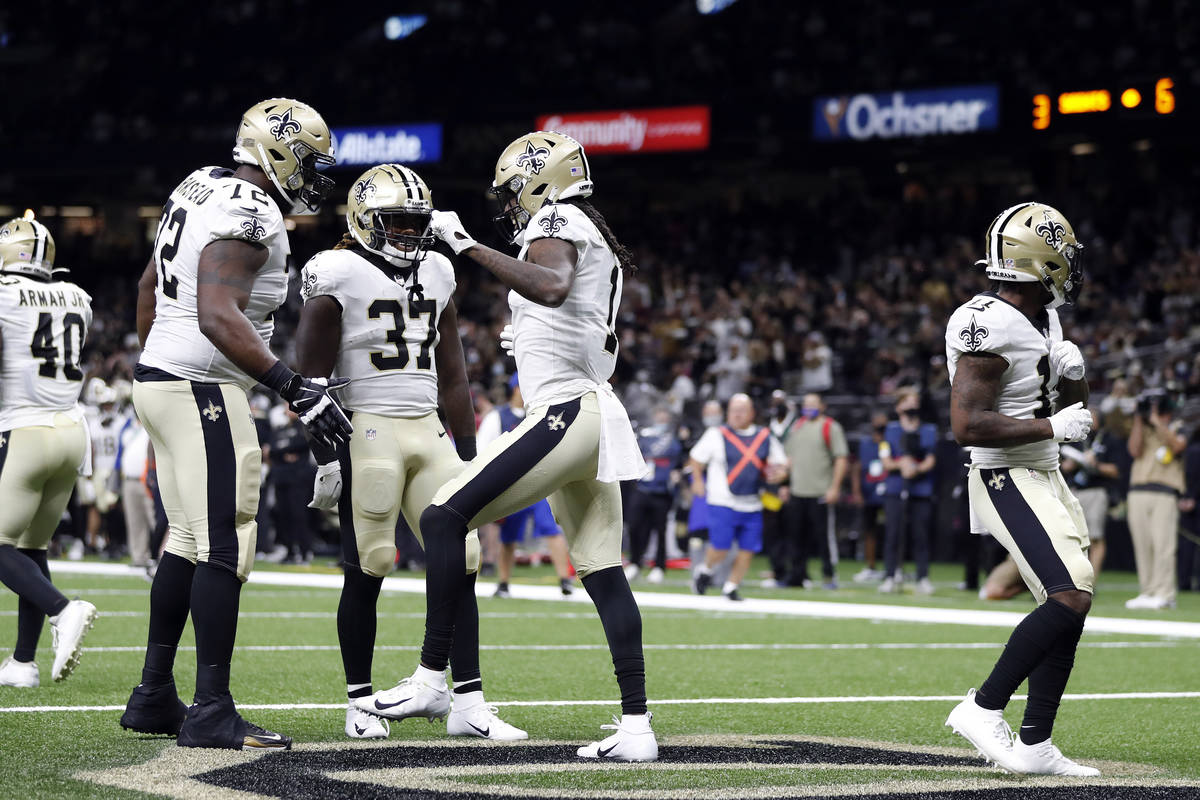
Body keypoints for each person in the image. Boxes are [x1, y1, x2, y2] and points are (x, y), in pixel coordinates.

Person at [356, 132, 656, 761]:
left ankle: (433, 679)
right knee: (603, 570)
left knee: (442, 515)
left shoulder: (557, 216)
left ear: (537, 180)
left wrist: (466, 245)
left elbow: (550, 284)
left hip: (569, 413)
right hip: (595, 411)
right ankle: (636, 728)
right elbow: (570, 308)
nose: (513, 201)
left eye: (515, 186)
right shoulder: (584, 225)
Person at [119, 98, 349, 751]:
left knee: (187, 540)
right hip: (202, 388)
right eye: (307, 158)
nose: (312, 173)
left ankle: (154, 694)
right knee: (226, 542)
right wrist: (293, 388)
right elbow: (219, 315)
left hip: (163, 381)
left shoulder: (201, 184)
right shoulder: (251, 209)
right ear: (275, 150)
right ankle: (212, 709)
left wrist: (155, 365)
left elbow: (146, 288)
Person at [294, 163, 525, 742]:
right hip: (367, 424)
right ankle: (358, 701)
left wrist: (468, 451)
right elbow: (311, 378)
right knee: (369, 563)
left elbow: (453, 375)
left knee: (464, 557)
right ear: (365, 218)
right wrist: (324, 453)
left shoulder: (440, 270)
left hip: (426, 426)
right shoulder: (335, 269)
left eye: (414, 223)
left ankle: (467, 702)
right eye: (394, 221)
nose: (406, 233)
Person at [943, 201, 1099, 776]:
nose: (1071, 263)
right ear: (1041, 259)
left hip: (1044, 469)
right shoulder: (989, 320)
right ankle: (981, 708)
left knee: (1068, 604)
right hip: (1003, 472)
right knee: (1070, 593)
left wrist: (1076, 377)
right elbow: (966, 425)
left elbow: (1081, 417)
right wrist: (1051, 427)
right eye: (1062, 252)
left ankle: (1034, 744)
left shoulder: (1044, 319)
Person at [0, 213, 98, 688]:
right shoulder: (79, 296)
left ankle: (64, 609)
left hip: (25, 430)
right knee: (31, 546)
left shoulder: (3, 295)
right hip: (71, 430)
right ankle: (22, 663)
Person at [479, 374, 574, 597]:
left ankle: (565, 580)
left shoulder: (542, 413)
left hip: (541, 484)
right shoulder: (497, 417)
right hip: (511, 485)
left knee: (551, 529)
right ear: (516, 389)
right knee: (509, 536)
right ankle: (503, 583)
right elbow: (483, 448)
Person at [688, 394, 788, 600]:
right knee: (721, 547)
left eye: (742, 410)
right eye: (733, 409)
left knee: (748, 548)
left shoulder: (764, 436)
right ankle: (705, 570)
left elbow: (781, 465)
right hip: (722, 501)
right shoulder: (716, 434)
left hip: (752, 502)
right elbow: (696, 458)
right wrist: (698, 480)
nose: (736, 414)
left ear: (752, 413)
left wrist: (779, 475)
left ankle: (731, 587)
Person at [1124, 390, 1187, 609]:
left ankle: (1165, 594)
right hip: (1138, 489)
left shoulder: (1179, 425)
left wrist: (1156, 421)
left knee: (1163, 545)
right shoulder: (1143, 426)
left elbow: (1178, 446)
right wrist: (1139, 420)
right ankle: (1148, 591)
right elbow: (1134, 450)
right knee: (1143, 545)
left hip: (1165, 491)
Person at [780, 393, 849, 589]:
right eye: (806, 404)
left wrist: (834, 487)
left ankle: (829, 575)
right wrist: (784, 484)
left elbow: (841, 459)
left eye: (813, 404)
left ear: (822, 406)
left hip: (820, 492)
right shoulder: (797, 427)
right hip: (797, 491)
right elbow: (789, 459)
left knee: (824, 538)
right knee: (795, 537)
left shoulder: (830, 427)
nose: (808, 407)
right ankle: (797, 576)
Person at [878, 389, 938, 594]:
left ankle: (922, 577)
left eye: (915, 402)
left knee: (920, 534)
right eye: (907, 402)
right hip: (895, 489)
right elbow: (886, 460)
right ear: (898, 406)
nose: (912, 406)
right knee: (893, 533)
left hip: (920, 489)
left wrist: (916, 468)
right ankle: (890, 575)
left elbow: (931, 459)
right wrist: (900, 464)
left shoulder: (928, 430)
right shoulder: (891, 430)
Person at [1059, 417, 1124, 580]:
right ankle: (1068, 581)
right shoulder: (1073, 438)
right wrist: (1069, 465)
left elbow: (1117, 471)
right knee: (1069, 539)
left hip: (1096, 492)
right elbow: (1059, 466)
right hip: (1073, 491)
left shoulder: (1109, 440)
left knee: (1095, 538)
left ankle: (1090, 583)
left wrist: (1095, 465)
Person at [626, 407, 682, 584]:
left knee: (660, 530)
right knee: (634, 526)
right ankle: (635, 562)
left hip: (662, 491)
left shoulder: (674, 438)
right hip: (642, 487)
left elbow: (680, 460)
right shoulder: (644, 436)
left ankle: (659, 565)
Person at [850, 410, 889, 582]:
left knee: (892, 531)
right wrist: (857, 491)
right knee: (869, 531)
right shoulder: (865, 444)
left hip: (889, 493)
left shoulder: (892, 442)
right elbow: (857, 468)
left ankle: (893, 567)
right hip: (869, 493)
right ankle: (870, 566)